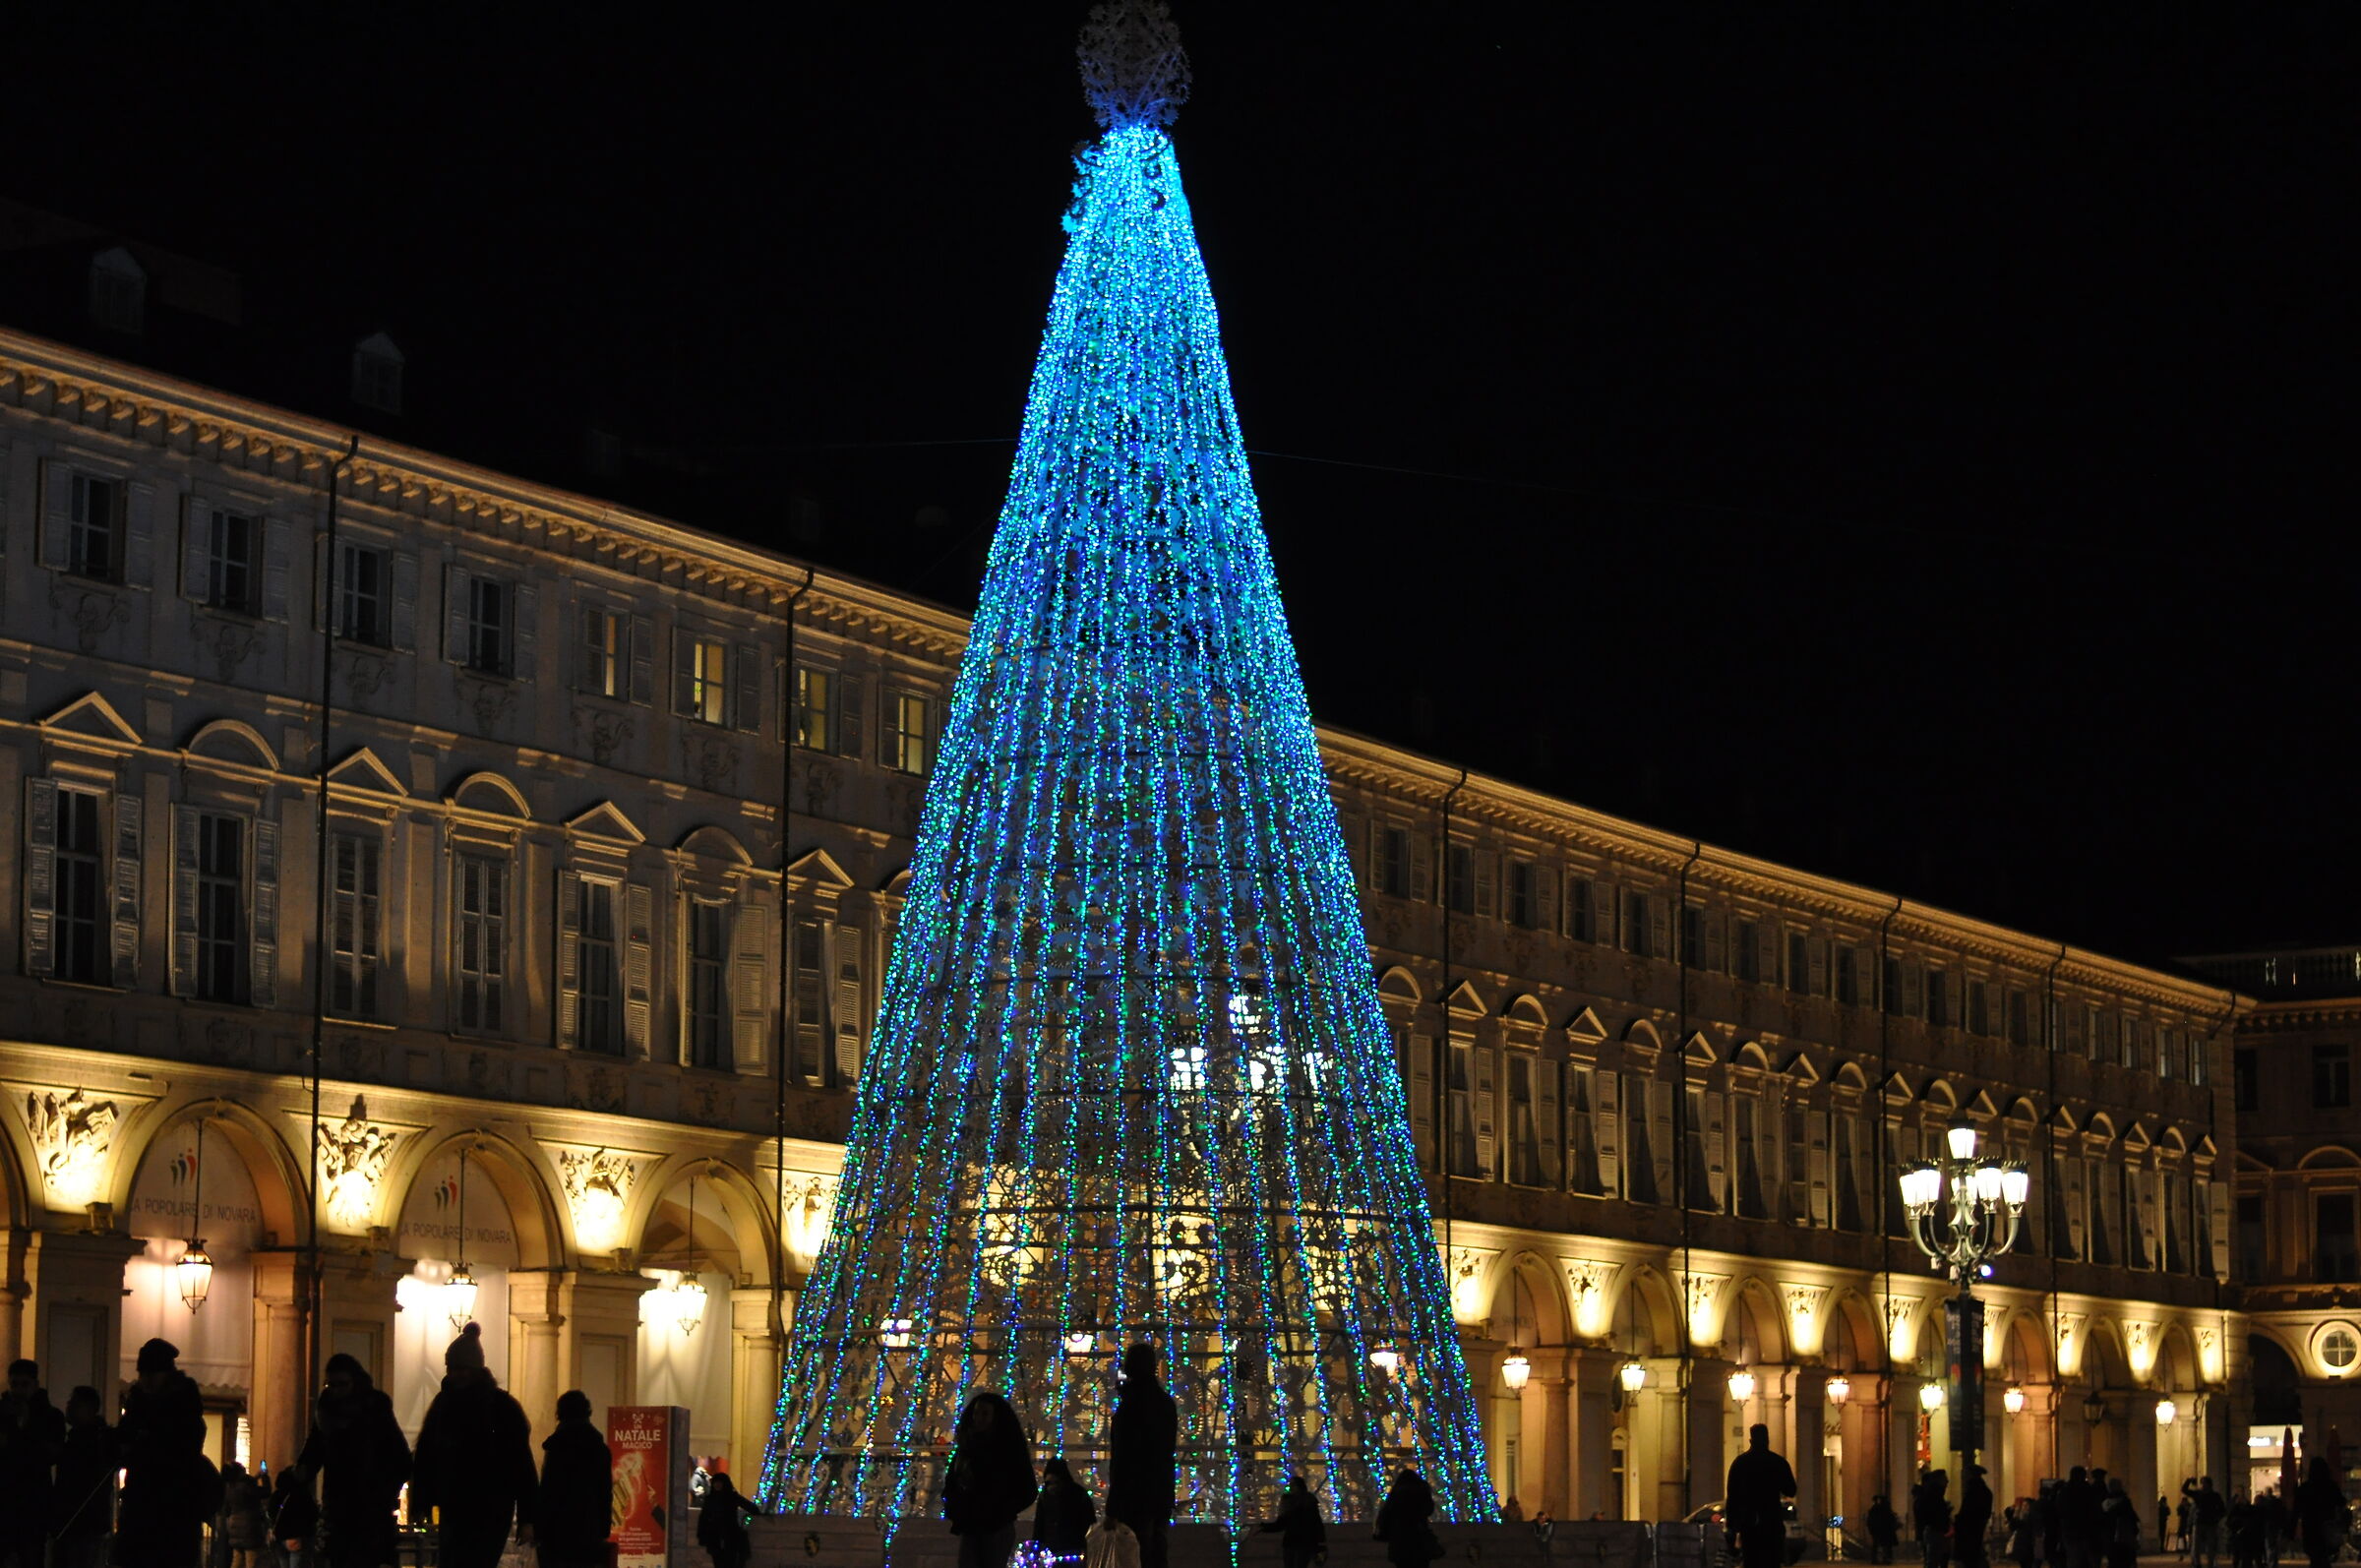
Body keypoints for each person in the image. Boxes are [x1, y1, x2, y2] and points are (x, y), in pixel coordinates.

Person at [411, 1323, 539, 1568]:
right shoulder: (497, 1406)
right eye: (453, 1369)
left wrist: (528, 1517)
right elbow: (426, 1455)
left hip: (483, 1505)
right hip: (475, 1504)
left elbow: (521, 1463)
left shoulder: (453, 1405)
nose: (456, 1374)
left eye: (462, 1369)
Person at [295, 1353, 411, 1568]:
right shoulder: (325, 1411)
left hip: (370, 1507)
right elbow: (313, 1450)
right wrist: (299, 1474)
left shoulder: (374, 1408)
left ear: (355, 1382)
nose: (336, 1390)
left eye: (342, 1384)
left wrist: (384, 1492)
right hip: (339, 1506)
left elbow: (399, 1456)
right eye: (331, 1385)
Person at [117, 1339, 211, 1568]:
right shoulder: (140, 1404)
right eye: (143, 1374)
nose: (145, 1380)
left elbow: (179, 1454)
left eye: (150, 1374)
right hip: (146, 1508)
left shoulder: (182, 1410)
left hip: (172, 1509)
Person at [942, 1391, 1036, 1568]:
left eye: (985, 1414)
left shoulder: (1008, 1451)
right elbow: (953, 1481)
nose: (978, 1418)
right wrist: (955, 1505)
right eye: (976, 1413)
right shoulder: (967, 1448)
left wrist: (1001, 1511)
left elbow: (1028, 1489)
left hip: (995, 1526)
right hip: (972, 1524)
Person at [1107, 1346, 1178, 1568]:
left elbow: (1123, 1458)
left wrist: (1113, 1508)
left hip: (1134, 1495)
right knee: (1157, 1552)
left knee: (1135, 1554)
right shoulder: (1164, 1402)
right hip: (1161, 1492)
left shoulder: (1130, 1405)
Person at [535, 1391, 613, 1568]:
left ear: (560, 1414)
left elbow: (547, 1491)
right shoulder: (599, 1448)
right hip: (589, 1529)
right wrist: (603, 1530)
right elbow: (604, 1492)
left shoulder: (557, 1447)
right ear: (587, 1412)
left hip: (556, 1531)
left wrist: (539, 1529)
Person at [0, 1358, 65, 1568]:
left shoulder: (50, 1416)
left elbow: (51, 1455)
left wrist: (23, 1431)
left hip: (33, 1505)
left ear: (35, 1385)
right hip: (8, 1503)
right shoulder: (4, 1414)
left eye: (24, 1384)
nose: (18, 1390)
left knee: (31, 1556)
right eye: (14, 1384)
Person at [49, 1386, 115, 1568]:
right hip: (75, 1525)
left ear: (89, 1408)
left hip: (83, 1526)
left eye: (74, 1403)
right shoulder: (82, 1439)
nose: (68, 1407)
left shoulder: (92, 1442)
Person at [1727, 1423, 1799, 1568]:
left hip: (1749, 1523)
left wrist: (1732, 1527)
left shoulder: (1740, 1463)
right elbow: (1791, 1490)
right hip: (1771, 1522)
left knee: (1751, 1561)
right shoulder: (1777, 1462)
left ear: (1751, 1440)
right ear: (1767, 1440)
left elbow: (1732, 1497)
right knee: (1772, 1561)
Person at [696, 1471, 766, 1568]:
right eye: (715, 1482)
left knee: (730, 1561)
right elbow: (703, 1518)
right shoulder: (710, 1498)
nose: (717, 1485)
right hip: (715, 1536)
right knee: (718, 1562)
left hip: (730, 1534)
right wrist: (702, 1535)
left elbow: (750, 1506)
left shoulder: (731, 1496)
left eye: (720, 1482)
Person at [1035, 1458, 1098, 1564]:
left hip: (1068, 1549)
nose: (1052, 1487)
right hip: (1066, 1549)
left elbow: (1039, 1524)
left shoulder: (1046, 1496)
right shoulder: (1078, 1493)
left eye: (1056, 1482)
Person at [2292, 1459, 2349, 1568]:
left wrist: (2291, 1529)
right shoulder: (2331, 1486)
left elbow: (2296, 1511)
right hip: (2327, 1527)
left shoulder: (2304, 1488)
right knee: (2323, 1557)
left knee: (2315, 1557)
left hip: (2310, 1527)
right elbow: (2341, 1502)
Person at [1258, 1475, 1325, 1568]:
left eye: (1292, 1485)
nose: (1290, 1487)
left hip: (1296, 1542)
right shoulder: (1307, 1501)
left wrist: (1266, 1528)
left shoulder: (1291, 1502)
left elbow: (1281, 1523)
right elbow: (1317, 1523)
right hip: (1302, 1542)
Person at [1375, 1469, 1438, 1568]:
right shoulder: (1421, 1492)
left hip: (1400, 1541)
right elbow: (1428, 1510)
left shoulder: (1395, 1495)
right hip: (1419, 1539)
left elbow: (1386, 1515)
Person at [220, 1462, 270, 1568]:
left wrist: (256, 1477)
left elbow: (245, 1486)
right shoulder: (246, 1486)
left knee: (237, 1559)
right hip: (249, 1527)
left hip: (235, 1526)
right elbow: (266, 1492)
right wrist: (265, 1476)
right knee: (251, 1560)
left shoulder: (229, 1486)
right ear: (239, 1472)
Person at [271, 1466, 321, 1568]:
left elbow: (271, 1513)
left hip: (279, 1537)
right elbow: (313, 1515)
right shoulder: (301, 1495)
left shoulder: (276, 1494)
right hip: (295, 1537)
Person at [1956, 1463, 1993, 1568]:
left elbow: (1967, 1512)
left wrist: (1959, 1520)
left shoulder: (1973, 1491)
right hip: (1976, 1529)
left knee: (1970, 1558)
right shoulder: (1984, 1491)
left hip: (1970, 1531)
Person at [1915, 1470, 1954, 1568]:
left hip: (1938, 1530)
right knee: (1934, 1560)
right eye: (1944, 1478)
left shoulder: (1935, 1494)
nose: (1947, 1481)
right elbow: (1931, 1513)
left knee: (1937, 1559)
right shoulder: (1934, 1495)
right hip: (1936, 1530)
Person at [2194, 1478, 2227, 1568]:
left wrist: (2217, 1518)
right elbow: (2185, 1490)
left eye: (2204, 1483)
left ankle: (2210, 1563)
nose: (2202, 1485)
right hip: (2201, 1522)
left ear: (2208, 1484)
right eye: (2202, 1483)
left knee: (2210, 1545)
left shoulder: (2214, 1495)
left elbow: (2222, 1509)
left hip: (2210, 1523)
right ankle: (2198, 1563)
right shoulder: (2199, 1494)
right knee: (2197, 1545)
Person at [1868, 1494, 1902, 1565]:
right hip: (1885, 1530)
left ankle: (1878, 1558)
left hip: (1879, 1529)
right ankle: (1885, 1558)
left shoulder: (1877, 1508)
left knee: (1879, 1544)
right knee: (1885, 1545)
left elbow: (1871, 1520)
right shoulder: (1885, 1508)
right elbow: (1890, 1518)